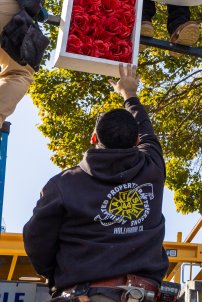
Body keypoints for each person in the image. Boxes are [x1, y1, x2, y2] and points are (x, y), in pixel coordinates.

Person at [24, 64, 168, 301]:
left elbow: (37, 240)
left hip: (85, 293)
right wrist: (129, 95)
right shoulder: (151, 168)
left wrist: (61, 274)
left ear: (93, 138)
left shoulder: (62, 185)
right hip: (143, 295)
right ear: (136, 140)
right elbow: (147, 132)